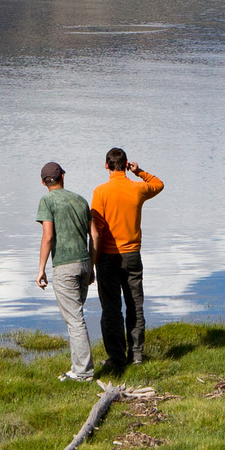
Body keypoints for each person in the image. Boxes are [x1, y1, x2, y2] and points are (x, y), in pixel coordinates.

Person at [88, 147, 163, 370]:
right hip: (132, 256)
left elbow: (97, 229)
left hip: (107, 257)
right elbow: (158, 184)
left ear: (106, 165)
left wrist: (93, 262)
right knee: (135, 306)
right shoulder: (137, 188)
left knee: (111, 309)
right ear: (126, 164)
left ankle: (117, 357)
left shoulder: (100, 191)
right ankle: (137, 355)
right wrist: (139, 172)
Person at [33, 160, 97, 382]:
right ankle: (77, 367)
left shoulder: (47, 201)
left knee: (75, 320)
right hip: (84, 263)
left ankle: (84, 372)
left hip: (64, 266)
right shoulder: (80, 200)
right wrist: (91, 266)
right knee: (75, 316)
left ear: (43, 182)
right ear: (63, 176)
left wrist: (41, 269)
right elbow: (95, 235)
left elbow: (48, 236)